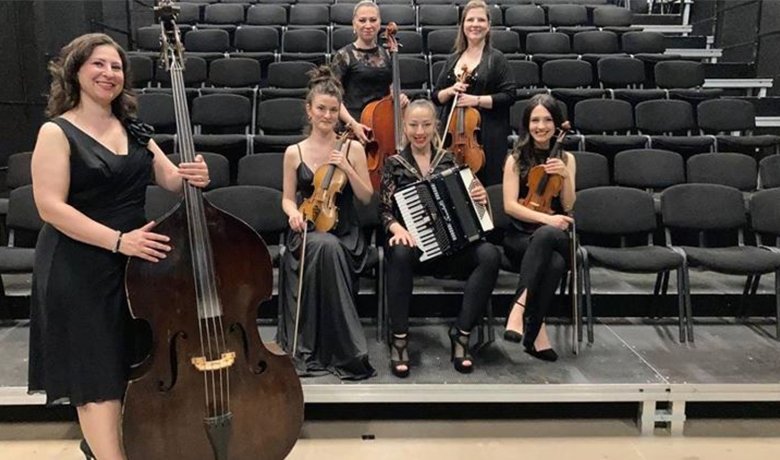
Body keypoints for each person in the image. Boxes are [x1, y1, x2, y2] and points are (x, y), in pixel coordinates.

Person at [27, 33, 210, 460]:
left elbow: (171, 179)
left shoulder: (133, 129)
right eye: (98, 64)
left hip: (134, 265)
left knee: (128, 365)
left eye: (116, 66)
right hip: (79, 266)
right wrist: (119, 241)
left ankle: (102, 448)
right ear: (75, 70)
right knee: (96, 376)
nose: (109, 73)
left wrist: (195, 174)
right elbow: (50, 207)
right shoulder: (57, 132)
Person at [379, 99, 500, 377]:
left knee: (489, 254)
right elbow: (384, 209)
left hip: (451, 249)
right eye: (413, 125)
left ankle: (462, 333)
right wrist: (397, 228)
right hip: (414, 250)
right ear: (404, 127)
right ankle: (399, 339)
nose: (419, 131)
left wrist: (480, 198)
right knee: (398, 252)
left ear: (436, 126)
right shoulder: (394, 164)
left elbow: (474, 211)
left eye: (426, 124)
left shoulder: (450, 160)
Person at [278, 65, 376, 380]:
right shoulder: (294, 152)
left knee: (329, 247)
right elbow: (287, 198)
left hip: (345, 233)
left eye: (334, 110)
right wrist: (293, 213)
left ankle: (336, 349)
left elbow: (366, 197)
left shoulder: (353, 148)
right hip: (306, 227)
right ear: (309, 110)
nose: (327, 115)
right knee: (321, 245)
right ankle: (329, 348)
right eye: (321, 108)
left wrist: (346, 166)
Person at [501, 94, 576, 363]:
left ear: (556, 124)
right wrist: (546, 220)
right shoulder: (515, 158)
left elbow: (568, 205)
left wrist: (565, 177)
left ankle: (518, 308)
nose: (541, 126)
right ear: (527, 124)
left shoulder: (567, 159)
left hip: (554, 235)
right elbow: (510, 206)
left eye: (547, 120)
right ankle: (535, 330)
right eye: (535, 120)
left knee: (546, 236)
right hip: (520, 235)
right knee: (554, 263)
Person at [432, 0, 515, 187]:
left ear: (488, 25)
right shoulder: (453, 59)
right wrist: (450, 90)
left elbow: (509, 95)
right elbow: (436, 96)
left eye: (481, 20)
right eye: (470, 20)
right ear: (463, 25)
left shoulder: (496, 59)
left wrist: (475, 100)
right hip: (454, 134)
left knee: (486, 186)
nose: (475, 24)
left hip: (487, 135)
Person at [331, 0, 409, 144]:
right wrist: (353, 125)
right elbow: (334, 98)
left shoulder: (387, 53)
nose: (368, 25)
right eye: (362, 20)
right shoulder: (344, 55)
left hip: (382, 124)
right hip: (353, 125)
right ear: (354, 24)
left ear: (379, 23)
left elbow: (392, 88)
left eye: (373, 20)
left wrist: (399, 98)